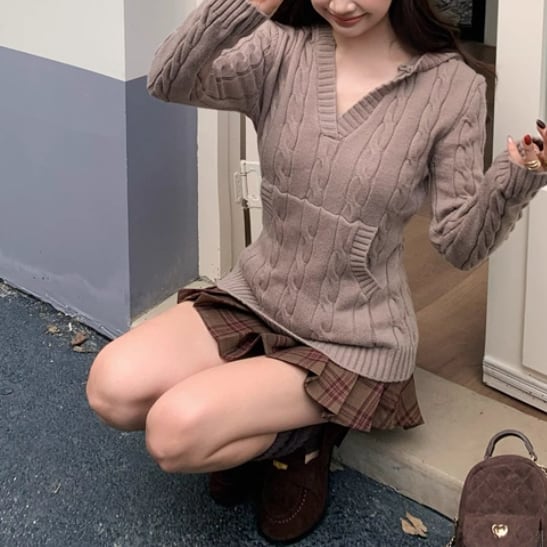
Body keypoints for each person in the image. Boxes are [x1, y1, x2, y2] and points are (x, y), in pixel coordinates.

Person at [86, 0, 547, 543]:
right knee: (111, 390)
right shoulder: (280, 48)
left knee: (173, 434)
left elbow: (460, 246)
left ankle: (307, 439)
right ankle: (255, 411)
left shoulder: (452, 87)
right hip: (259, 295)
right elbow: (169, 78)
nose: (341, 4)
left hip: (353, 337)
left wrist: (516, 178)